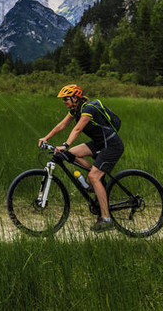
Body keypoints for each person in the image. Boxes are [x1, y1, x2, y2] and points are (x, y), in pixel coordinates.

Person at [38, 84, 124, 232]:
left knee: (93, 176)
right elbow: (62, 125)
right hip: (99, 143)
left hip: (111, 145)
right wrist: (46, 137)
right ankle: (96, 177)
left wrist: (65, 144)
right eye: (63, 99)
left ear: (75, 98)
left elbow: (77, 129)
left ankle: (106, 219)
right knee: (71, 154)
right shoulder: (74, 110)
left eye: (66, 98)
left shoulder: (87, 109)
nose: (64, 101)